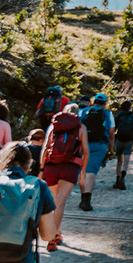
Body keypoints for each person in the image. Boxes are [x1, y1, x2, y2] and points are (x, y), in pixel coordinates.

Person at [37, 103, 86, 252]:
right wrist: (83, 172)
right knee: (60, 202)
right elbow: (86, 150)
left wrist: (41, 169)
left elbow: (45, 148)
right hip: (69, 167)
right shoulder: (80, 127)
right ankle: (52, 238)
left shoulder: (53, 125)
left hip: (51, 166)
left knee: (53, 202)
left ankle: (56, 233)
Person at [76, 94, 114, 212]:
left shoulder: (83, 111)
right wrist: (110, 149)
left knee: (82, 170)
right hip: (100, 144)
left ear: (94, 101)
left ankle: (83, 198)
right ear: (105, 103)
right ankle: (87, 200)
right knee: (91, 172)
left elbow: (77, 127)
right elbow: (111, 133)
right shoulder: (108, 114)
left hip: (83, 144)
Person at [110, 100, 133, 190]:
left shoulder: (118, 116)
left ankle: (118, 179)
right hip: (129, 140)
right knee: (126, 161)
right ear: (130, 107)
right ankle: (123, 178)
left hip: (119, 139)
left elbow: (114, 129)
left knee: (119, 161)